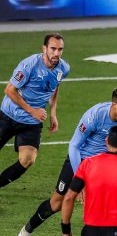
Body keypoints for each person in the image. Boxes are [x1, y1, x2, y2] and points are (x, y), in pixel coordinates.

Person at [11, 86, 117, 236]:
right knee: (56, 204)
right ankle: (26, 232)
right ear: (114, 104)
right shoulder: (95, 116)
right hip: (81, 161)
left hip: (106, 166)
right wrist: (79, 182)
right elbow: (74, 146)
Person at [0, 33, 69, 189]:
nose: (56, 53)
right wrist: (32, 111)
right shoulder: (29, 65)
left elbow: (55, 85)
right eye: (53, 49)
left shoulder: (63, 68)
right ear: (44, 48)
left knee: (27, 160)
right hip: (8, 115)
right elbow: (9, 90)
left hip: (31, 122)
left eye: (60, 49)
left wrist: (53, 113)